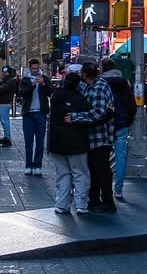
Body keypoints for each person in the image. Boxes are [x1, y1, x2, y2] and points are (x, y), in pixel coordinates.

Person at [68, 59, 117, 213]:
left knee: (102, 170)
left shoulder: (99, 88)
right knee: (93, 170)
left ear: (85, 74)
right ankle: (94, 199)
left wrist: (75, 117)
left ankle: (108, 201)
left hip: (101, 138)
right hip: (91, 138)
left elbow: (98, 113)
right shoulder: (89, 86)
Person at [48, 71, 92, 215]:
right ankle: (81, 204)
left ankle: (61, 204)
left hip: (57, 142)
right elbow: (88, 115)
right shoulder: (80, 98)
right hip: (77, 142)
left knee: (63, 174)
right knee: (80, 174)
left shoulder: (56, 97)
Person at [100, 58, 137, 200]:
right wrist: (128, 120)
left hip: (104, 125)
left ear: (102, 68)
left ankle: (104, 189)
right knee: (121, 157)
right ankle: (119, 189)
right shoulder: (124, 83)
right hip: (122, 124)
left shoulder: (100, 83)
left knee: (102, 159)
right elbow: (132, 105)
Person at [18, 59, 52, 176]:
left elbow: (50, 92)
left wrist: (43, 84)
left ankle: (38, 165)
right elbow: (21, 94)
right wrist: (32, 86)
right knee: (28, 141)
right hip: (28, 113)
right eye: (33, 68)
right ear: (29, 68)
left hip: (40, 113)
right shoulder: (25, 79)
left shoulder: (44, 78)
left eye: (37, 68)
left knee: (40, 141)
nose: (35, 71)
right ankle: (28, 164)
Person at [0, 66, 18, 145]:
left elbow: (2, 89)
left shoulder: (9, 81)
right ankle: (6, 137)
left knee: (4, 120)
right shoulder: (7, 80)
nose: (4, 73)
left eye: (5, 72)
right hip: (3, 102)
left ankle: (7, 138)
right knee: (4, 120)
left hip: (5, 102)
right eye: (3, 72)